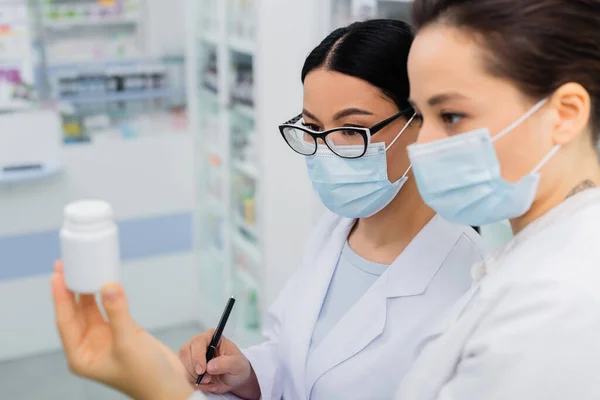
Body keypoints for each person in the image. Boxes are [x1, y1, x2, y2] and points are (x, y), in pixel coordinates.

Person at [50, 19, 487, 400]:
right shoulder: (336, 229)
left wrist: (160, 389)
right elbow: (298, 354)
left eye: (352, 130)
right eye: (313, 128)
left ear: (422, 123)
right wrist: (252, 374)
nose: (328, 150)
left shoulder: (470, 281)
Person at [394, 0, 600, 399]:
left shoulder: (558, 300)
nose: (422, 146)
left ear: (565, 114)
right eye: (420, 115)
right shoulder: (547, 248)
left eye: (451, 116)